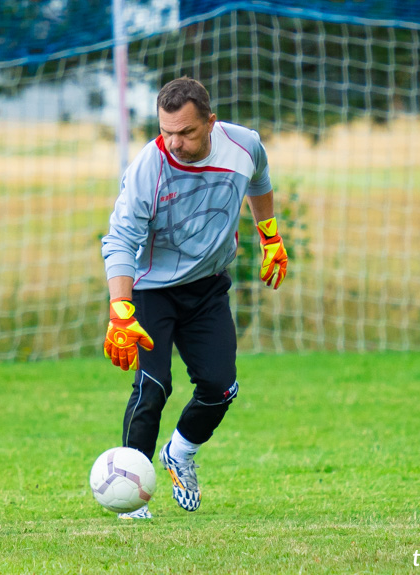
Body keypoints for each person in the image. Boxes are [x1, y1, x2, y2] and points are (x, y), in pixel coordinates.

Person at [101, 77, 288, 519]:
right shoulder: (150, 165)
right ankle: (132, 496)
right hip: (150, 289)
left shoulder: (244, 146)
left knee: (221, 387)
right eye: (167, 132)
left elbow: (259, 180)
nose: (175, 143)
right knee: (153, 387)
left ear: (210, 121)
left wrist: (270, 236)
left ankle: (181, 451)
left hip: (206, 286)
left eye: (186, 132)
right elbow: (120, 240)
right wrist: (120, 310)